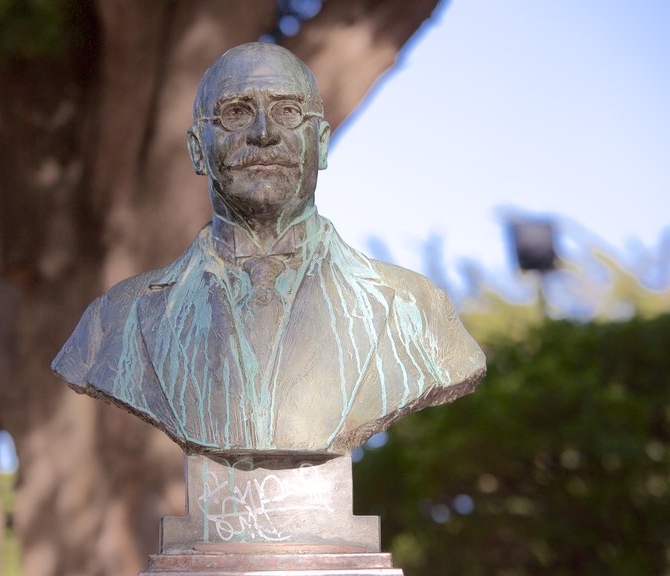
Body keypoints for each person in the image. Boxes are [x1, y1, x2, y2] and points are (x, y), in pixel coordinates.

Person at [53, 43, 485, 455]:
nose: (263, 133)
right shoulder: (117, 320)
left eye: (288, 112)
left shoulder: (414, 308)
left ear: (321, 143)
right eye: (236, 113)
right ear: (197, 150)